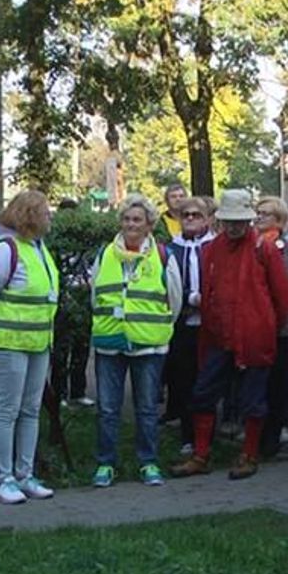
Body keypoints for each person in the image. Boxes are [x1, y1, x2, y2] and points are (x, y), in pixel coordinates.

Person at [171, 189, 288, 480]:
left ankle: (249, 455)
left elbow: (283, 298)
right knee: (202, 395)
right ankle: (201, 455)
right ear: (221, 221)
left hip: (254, 339)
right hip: (218, 336)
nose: (235, 226)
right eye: (229, 221)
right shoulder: (212, 249)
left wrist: (264, 328)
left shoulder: (264, 249)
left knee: (253, 401)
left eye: (240, 221)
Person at [90, 194, 182, 488]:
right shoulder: (105, 254)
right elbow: (95, 295)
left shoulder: (164, 256)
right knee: (107, 407)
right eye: (127, 219)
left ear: (148, 225)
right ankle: (106, 464)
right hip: (110, 341)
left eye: (137, 220)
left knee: (146, 407)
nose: (131, 224)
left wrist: (157, 328)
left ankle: (148, 462)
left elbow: (174, 300)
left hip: (149, 344)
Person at [0, 190, 59, 504]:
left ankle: (25, 475)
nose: (50, 216)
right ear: (31, 216)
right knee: (7, 411)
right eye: (45, 211)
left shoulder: (38, 248)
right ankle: (4, 478)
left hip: (38, 341)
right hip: (9, 343)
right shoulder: (6, 250)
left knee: (30, 410)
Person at [162, 197, 215, 455]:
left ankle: (208, 435)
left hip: (211, 324)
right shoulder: (171, 249)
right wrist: (190, 297)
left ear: (207, 219)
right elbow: (167, 285)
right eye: (186, 215)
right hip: (182, 323)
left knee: (209, 379)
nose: (191, 219)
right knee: (183, 380)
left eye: (197, 215)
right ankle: (187, 436)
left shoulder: (215, 246)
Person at [254, 196, 288, 457]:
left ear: (280, 220)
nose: (259, 218)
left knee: (279, 379)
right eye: (258, 213)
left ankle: (276, 430)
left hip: (281, 324)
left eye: (266, 214)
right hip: (256, 323)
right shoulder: (252, 243)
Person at [52, 197, 93, 407]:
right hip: (64, 298)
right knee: (62, 349)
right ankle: (60, 393)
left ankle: (78, 391)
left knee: (81, 347)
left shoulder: (84, 242)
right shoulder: (56, 242)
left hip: (82, 295)